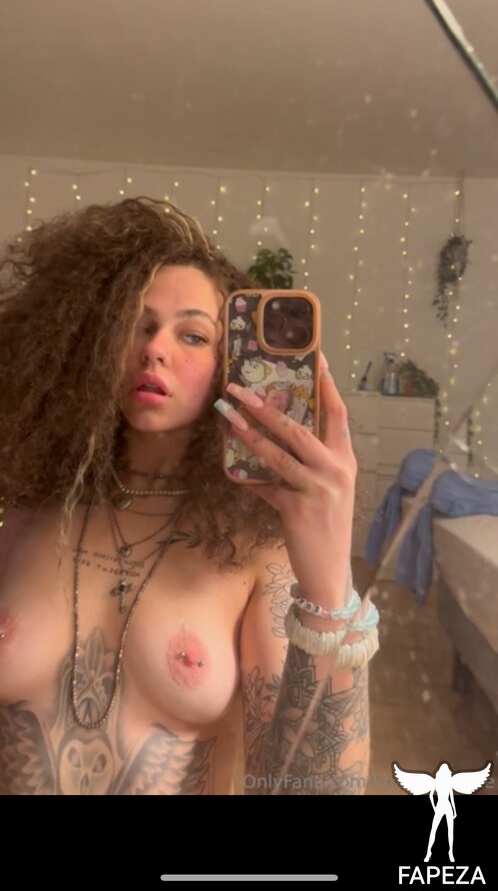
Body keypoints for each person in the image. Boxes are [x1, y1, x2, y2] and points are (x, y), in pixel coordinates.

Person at [0, 196, 376, 795]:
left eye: (193, 335)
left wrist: (329, 583)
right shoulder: (27, 513)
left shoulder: (257, 547)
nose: (156, 349)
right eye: (136, 324)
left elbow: (314, 789)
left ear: (231, 366)